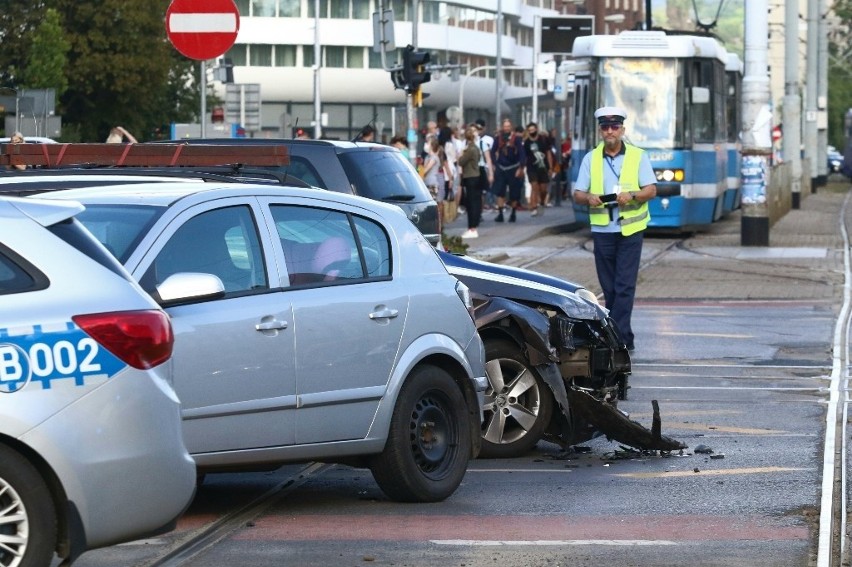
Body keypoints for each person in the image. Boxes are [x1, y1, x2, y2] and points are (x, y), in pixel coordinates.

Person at [572, 106, 657, 352]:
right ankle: (622, 335)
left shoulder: (638, 156)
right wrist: (589, 198)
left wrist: (632, 195)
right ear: (600, 131)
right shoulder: (591, 158)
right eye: (605, 127)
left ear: (622, 129)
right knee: (609, 288)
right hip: (603, 230)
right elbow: (578, 193)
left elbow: (651, 190)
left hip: (630, 230)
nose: (610, 131)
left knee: (624, 286)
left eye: (614, 127)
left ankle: (616, 339)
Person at [490, 118, 526, 223]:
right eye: (505, 126)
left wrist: (520, 168)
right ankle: (500, 214)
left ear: (511, 127)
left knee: (514, 193)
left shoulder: (517, 139)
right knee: (500, 192)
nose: (506, 128)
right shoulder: (498, 138)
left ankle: (513, 213)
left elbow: (522, 154)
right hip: (501, 168)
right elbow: (493, 152)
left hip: (513, 168)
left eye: (508, 126)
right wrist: (495, 164)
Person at [523, 122, 554, 217]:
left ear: (536, 129)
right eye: (530, 130)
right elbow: (525, 156)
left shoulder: (543, 139)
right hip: (531, 168)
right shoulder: (527, 142)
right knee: (534, 187)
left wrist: (550, 166)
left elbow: (548, 153)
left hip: (543, 167)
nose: (532, 132)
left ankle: (541, 202)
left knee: (543, 189)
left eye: (533, 129)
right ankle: (533, 207)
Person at [457, 125, 482, 239]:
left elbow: (461, 161)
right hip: (476, 176)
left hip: (470, 177)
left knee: (471, 203)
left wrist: (460, 155)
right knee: (475, 202)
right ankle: (473, 227)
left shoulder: (470, 149)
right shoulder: (476, 147)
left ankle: (472, 228)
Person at [474, 119, 494, 211]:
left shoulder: (487, 140)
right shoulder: (469, 140)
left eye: (480, 128)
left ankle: (481, 209)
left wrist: (491, 172)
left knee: (482, 191)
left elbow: (490, 157)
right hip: (471, 169)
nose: (479, 131)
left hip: (483, 167)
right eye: (476, 128)